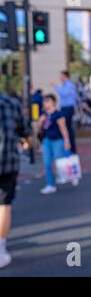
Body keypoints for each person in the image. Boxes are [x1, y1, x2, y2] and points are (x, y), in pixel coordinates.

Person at [0, 92, 32, 269]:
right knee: (4, 204)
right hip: (7, 162)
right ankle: (1, 248)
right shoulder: (11, 103)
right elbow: (25, 132)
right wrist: (27, 142)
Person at [38, 94, 72, 195]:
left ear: (53, 102)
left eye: (47, 101)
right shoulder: (44, 115)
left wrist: (67, 140)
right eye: (44, 101)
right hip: (46, 141)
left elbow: (63, 128)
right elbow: (39, 129)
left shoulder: (58, 115)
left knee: (59, 161)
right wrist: (40, 121)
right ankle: (50, 184)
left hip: (57, 140)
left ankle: (69, 175)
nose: (45, 103)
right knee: (47, 163)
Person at [54, 71, 77, 153]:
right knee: (67, 128)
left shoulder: (69, 85)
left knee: (66, 127)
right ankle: (70, 148)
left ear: (65, 76)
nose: (60, 78)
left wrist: (56, 87)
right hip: (65, 108)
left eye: (61, 76)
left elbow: (64, 93)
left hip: (68, 108)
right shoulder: (65, 85)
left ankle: (70, 148)